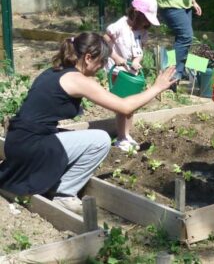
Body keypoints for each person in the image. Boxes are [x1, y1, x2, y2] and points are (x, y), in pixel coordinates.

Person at [0, 32, 176, 214]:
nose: (102, 67)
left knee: (74, 136)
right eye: (101, 62)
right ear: (88, 58)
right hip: (31, 146)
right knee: (100, 139)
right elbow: (124, 107)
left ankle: (49, 180)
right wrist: (157, 87)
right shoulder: (78, 80)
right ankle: (63, 194)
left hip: (16, 141)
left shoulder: (54, 71)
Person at [104, 0, 160, 152]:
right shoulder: (119, 26)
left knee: (131, 105)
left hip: (131, 71)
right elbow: (104, 43)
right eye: (145, 19)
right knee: (122, 106)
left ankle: (126, 135)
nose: (146, 23)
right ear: (135, 13)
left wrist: (137, 60)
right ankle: (120, 138)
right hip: (118, 72)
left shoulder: (142, 31)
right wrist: (115, 57)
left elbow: (140, 51)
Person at [155, 0, 202, 89]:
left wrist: (193, 1)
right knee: (186, 37)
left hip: (184, 5)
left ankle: (176, 75)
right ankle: (172, 76)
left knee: (181, 39)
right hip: (171, 6)